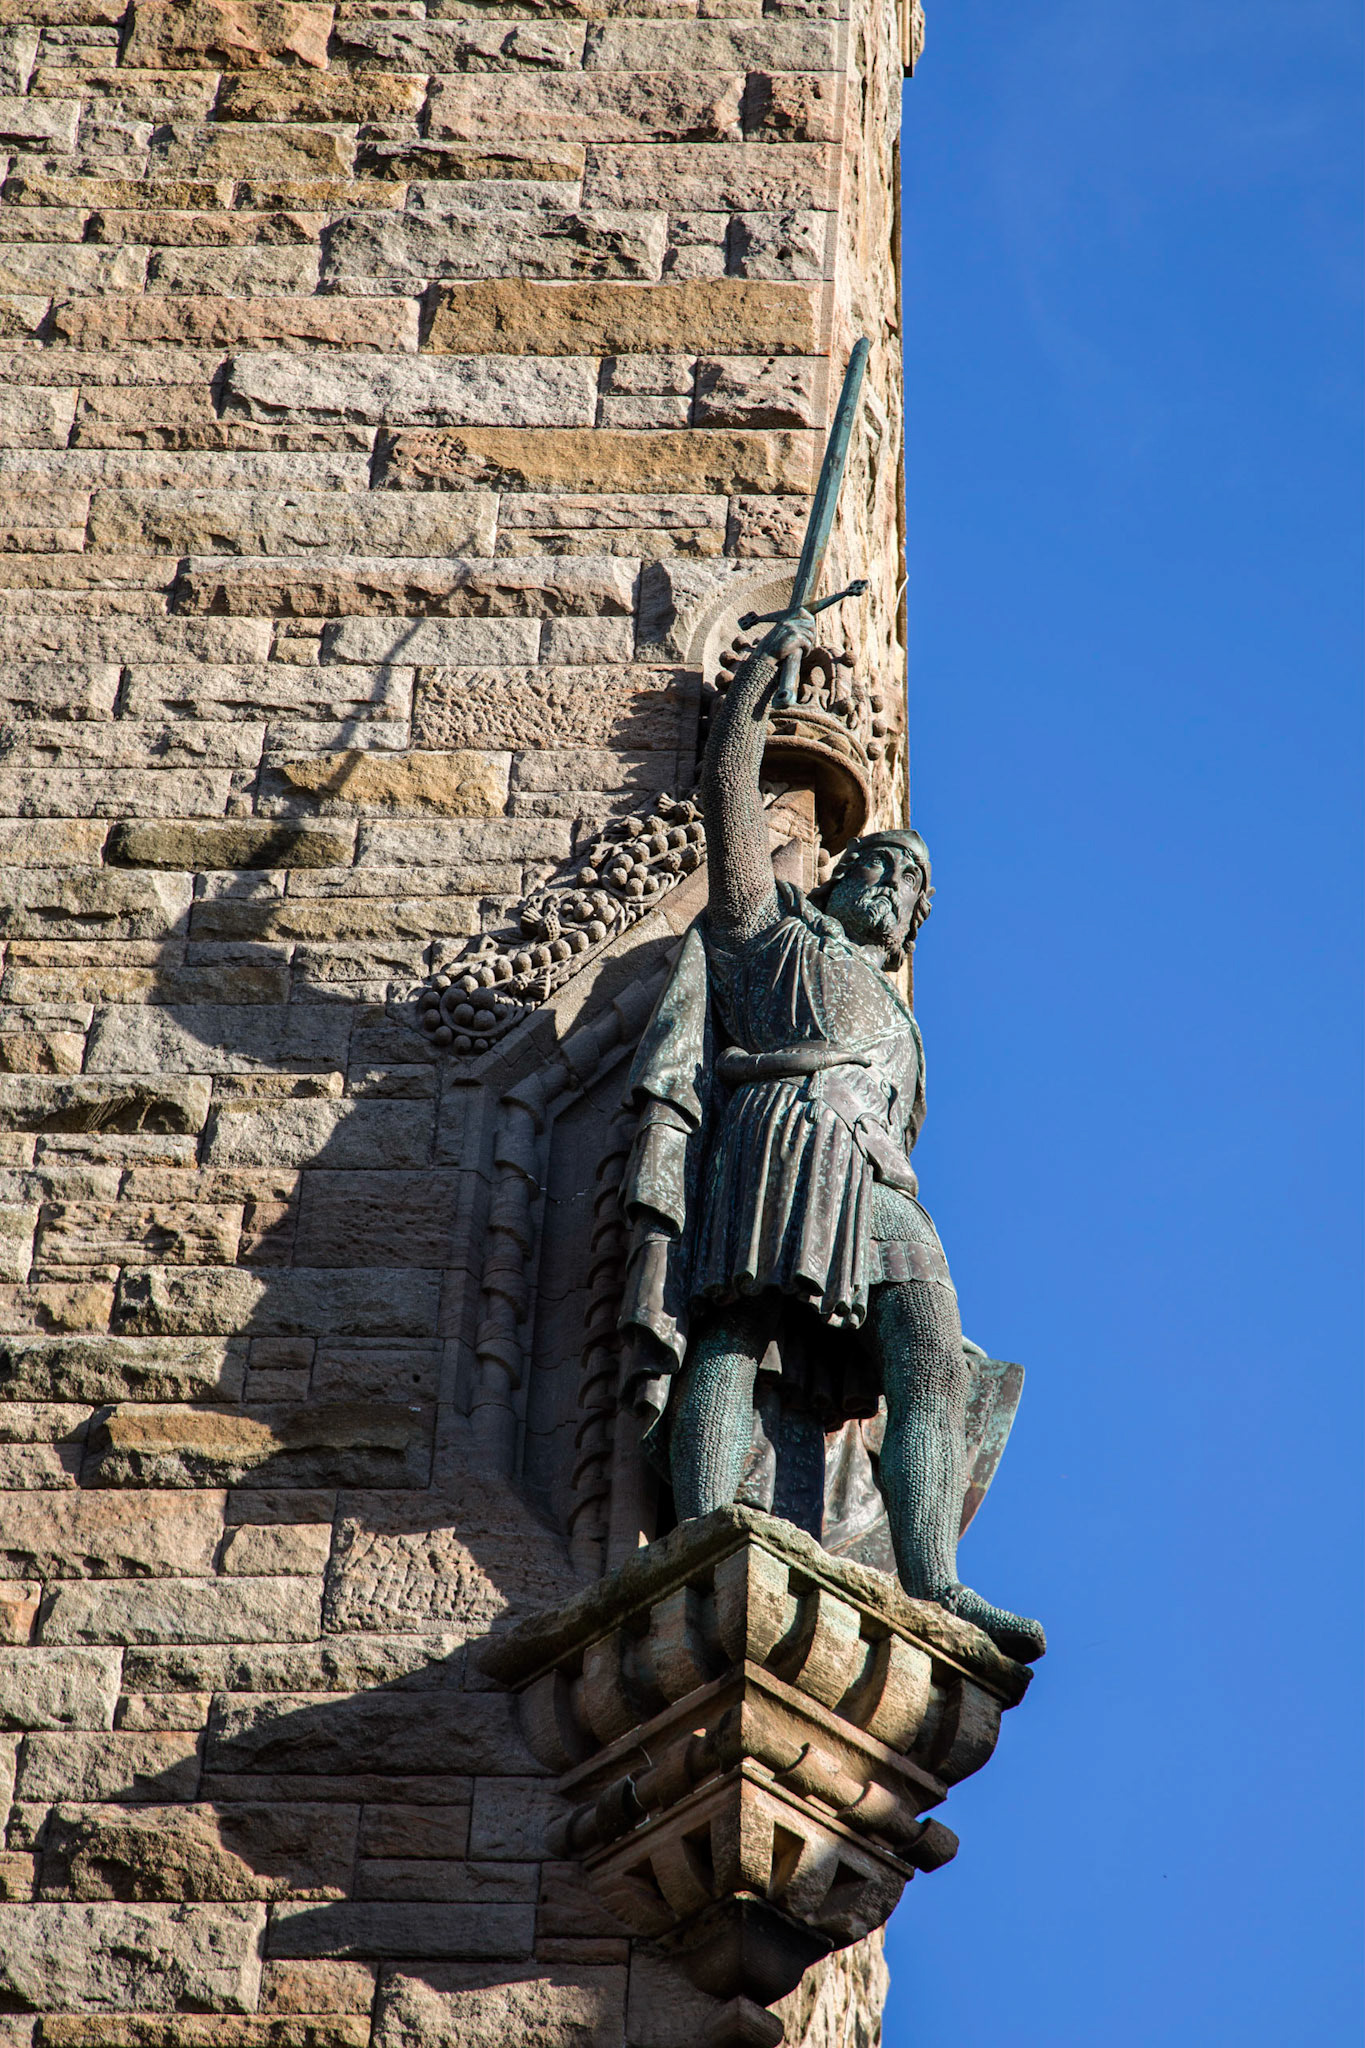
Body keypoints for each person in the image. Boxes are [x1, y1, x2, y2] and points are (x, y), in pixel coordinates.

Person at [618, 610, 1045, 1661]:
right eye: (886, 869)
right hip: (784, 1133)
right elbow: (727, 810)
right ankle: (706, 1530)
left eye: (916, 890)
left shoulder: (903, 1021)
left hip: (880, 1174)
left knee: (933, 1349)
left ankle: (935, 1573)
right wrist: (753, 699)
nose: (899, 892)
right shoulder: (771, 935)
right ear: (842, 877)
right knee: (743, 1328)